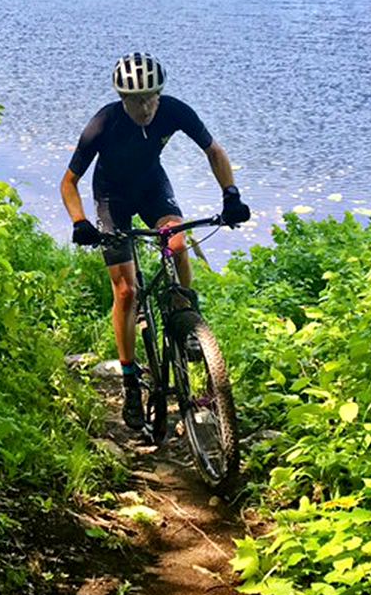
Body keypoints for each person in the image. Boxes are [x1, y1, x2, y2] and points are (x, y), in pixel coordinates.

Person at [60, 52, 250, 430]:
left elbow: (214, 151)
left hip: (151, 187)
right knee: (127, 292)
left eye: (150, 97)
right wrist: (80, 221)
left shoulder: (174, 111)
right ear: (122, 99)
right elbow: (69, 182)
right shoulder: (103, 124)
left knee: (177, 244)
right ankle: (131, 380)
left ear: (160, 94)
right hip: (112, 197)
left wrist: (231, 194)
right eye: (135, 100)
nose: (145, 107)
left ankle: (184, 317)